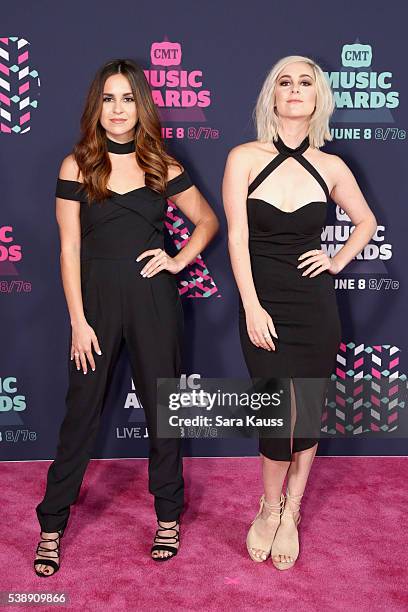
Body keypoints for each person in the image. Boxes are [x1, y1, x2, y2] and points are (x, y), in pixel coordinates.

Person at [34, 58, 219, 576]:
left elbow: (207, 220)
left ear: (142, 105)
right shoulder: (77, 165)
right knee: (79, 418)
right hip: (93, 303)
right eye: (109, 99)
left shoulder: (164, 165)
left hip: (154, 300)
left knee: (163, 414)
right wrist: (78, 320)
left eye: (128, 98)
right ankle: (51, 525)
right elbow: (69, 250)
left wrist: (179, 260)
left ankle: (166, 516)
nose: (118, 109)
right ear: (98, 106)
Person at [222, 55, 377, 570]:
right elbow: (237, 237)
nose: (294, 89)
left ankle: (292, 511)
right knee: (274, 413)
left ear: (317, 98)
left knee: (305, 412)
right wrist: (250, 306)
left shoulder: (331, 166)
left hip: (314, 308)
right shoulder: (243, 157)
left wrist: (335, 260)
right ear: (272, 96)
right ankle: (268, 508)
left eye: (304, 82)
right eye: (284, 81)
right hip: (262, 304)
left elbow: (366, 222)